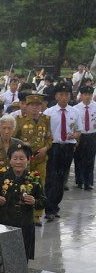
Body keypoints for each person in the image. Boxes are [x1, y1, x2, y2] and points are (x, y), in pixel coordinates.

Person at [0, 144, 45, 259]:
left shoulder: (34, 179)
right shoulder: (1, 176)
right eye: (15, 158)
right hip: (4, 223)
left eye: (22, 159)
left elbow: (43, 201)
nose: (18, 162)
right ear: (10, 160)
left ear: (28, 160)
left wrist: (34, 201)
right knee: (3, 256)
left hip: (25, 224)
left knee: (22, 258)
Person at [43, 82, 81, 220]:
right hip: (54, 147)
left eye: (66, 94)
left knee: (61, 178)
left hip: (68, 147)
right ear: (56, 96)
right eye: (61, 95)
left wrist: (74, 135)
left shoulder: (75, 112)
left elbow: (78, 131)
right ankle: (49, 208)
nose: (64, 97)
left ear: (70, 95)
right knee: (51, 177)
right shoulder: (48, 112)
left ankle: (55, 206)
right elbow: (45, 132)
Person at [13, 93, 52, 224]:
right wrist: (24, 147)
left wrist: (45, 148)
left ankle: (37, 214)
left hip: (41, 158)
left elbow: (49, 138)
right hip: (26, 159)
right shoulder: (20, 120)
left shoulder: (46, 119)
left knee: (40, 184)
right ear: (27, 106)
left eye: (37, 105)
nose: (35, 108)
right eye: (32, 105)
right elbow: (15, 139)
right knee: (26, 183)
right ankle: (24, 207)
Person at [73, 86, 96, 191]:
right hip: (81, 136)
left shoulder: (95, 106)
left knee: (90, 159)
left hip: (92, 135)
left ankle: (88, 182)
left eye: (89, 95)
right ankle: (79, 180)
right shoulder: (76, 109)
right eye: (85, 95)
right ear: (81, 96)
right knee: (79, 158)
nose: (87, 97)